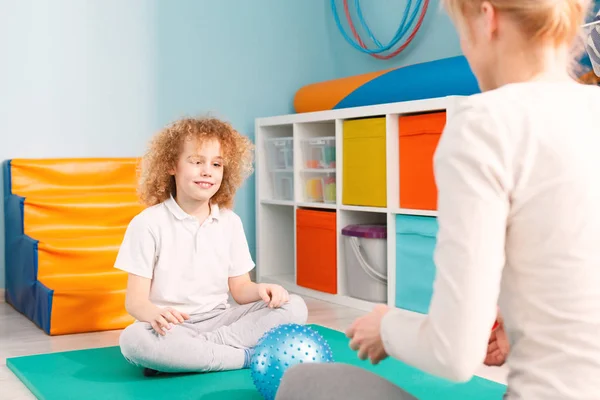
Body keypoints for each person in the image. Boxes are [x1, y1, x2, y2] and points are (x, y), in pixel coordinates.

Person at [276, 0, 600, 399]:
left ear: (486, 17)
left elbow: (454, 353)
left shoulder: (485, 122)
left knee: (304, 383)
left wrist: (386, 327)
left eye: (460, 32)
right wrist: (519, 324)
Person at [116, 116, 308, 376]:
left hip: (221, 322)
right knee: (133, 341)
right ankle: (244, 357)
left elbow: (240, 290)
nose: (207, 171)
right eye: (196, 162)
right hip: (172, 327)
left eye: (216, 164)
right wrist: (154, 314)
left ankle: (191, 354)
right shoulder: (147, 223)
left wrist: (264, 289)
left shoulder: (230, 222)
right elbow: (135, 302)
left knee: (294, 307)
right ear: (172, 165)